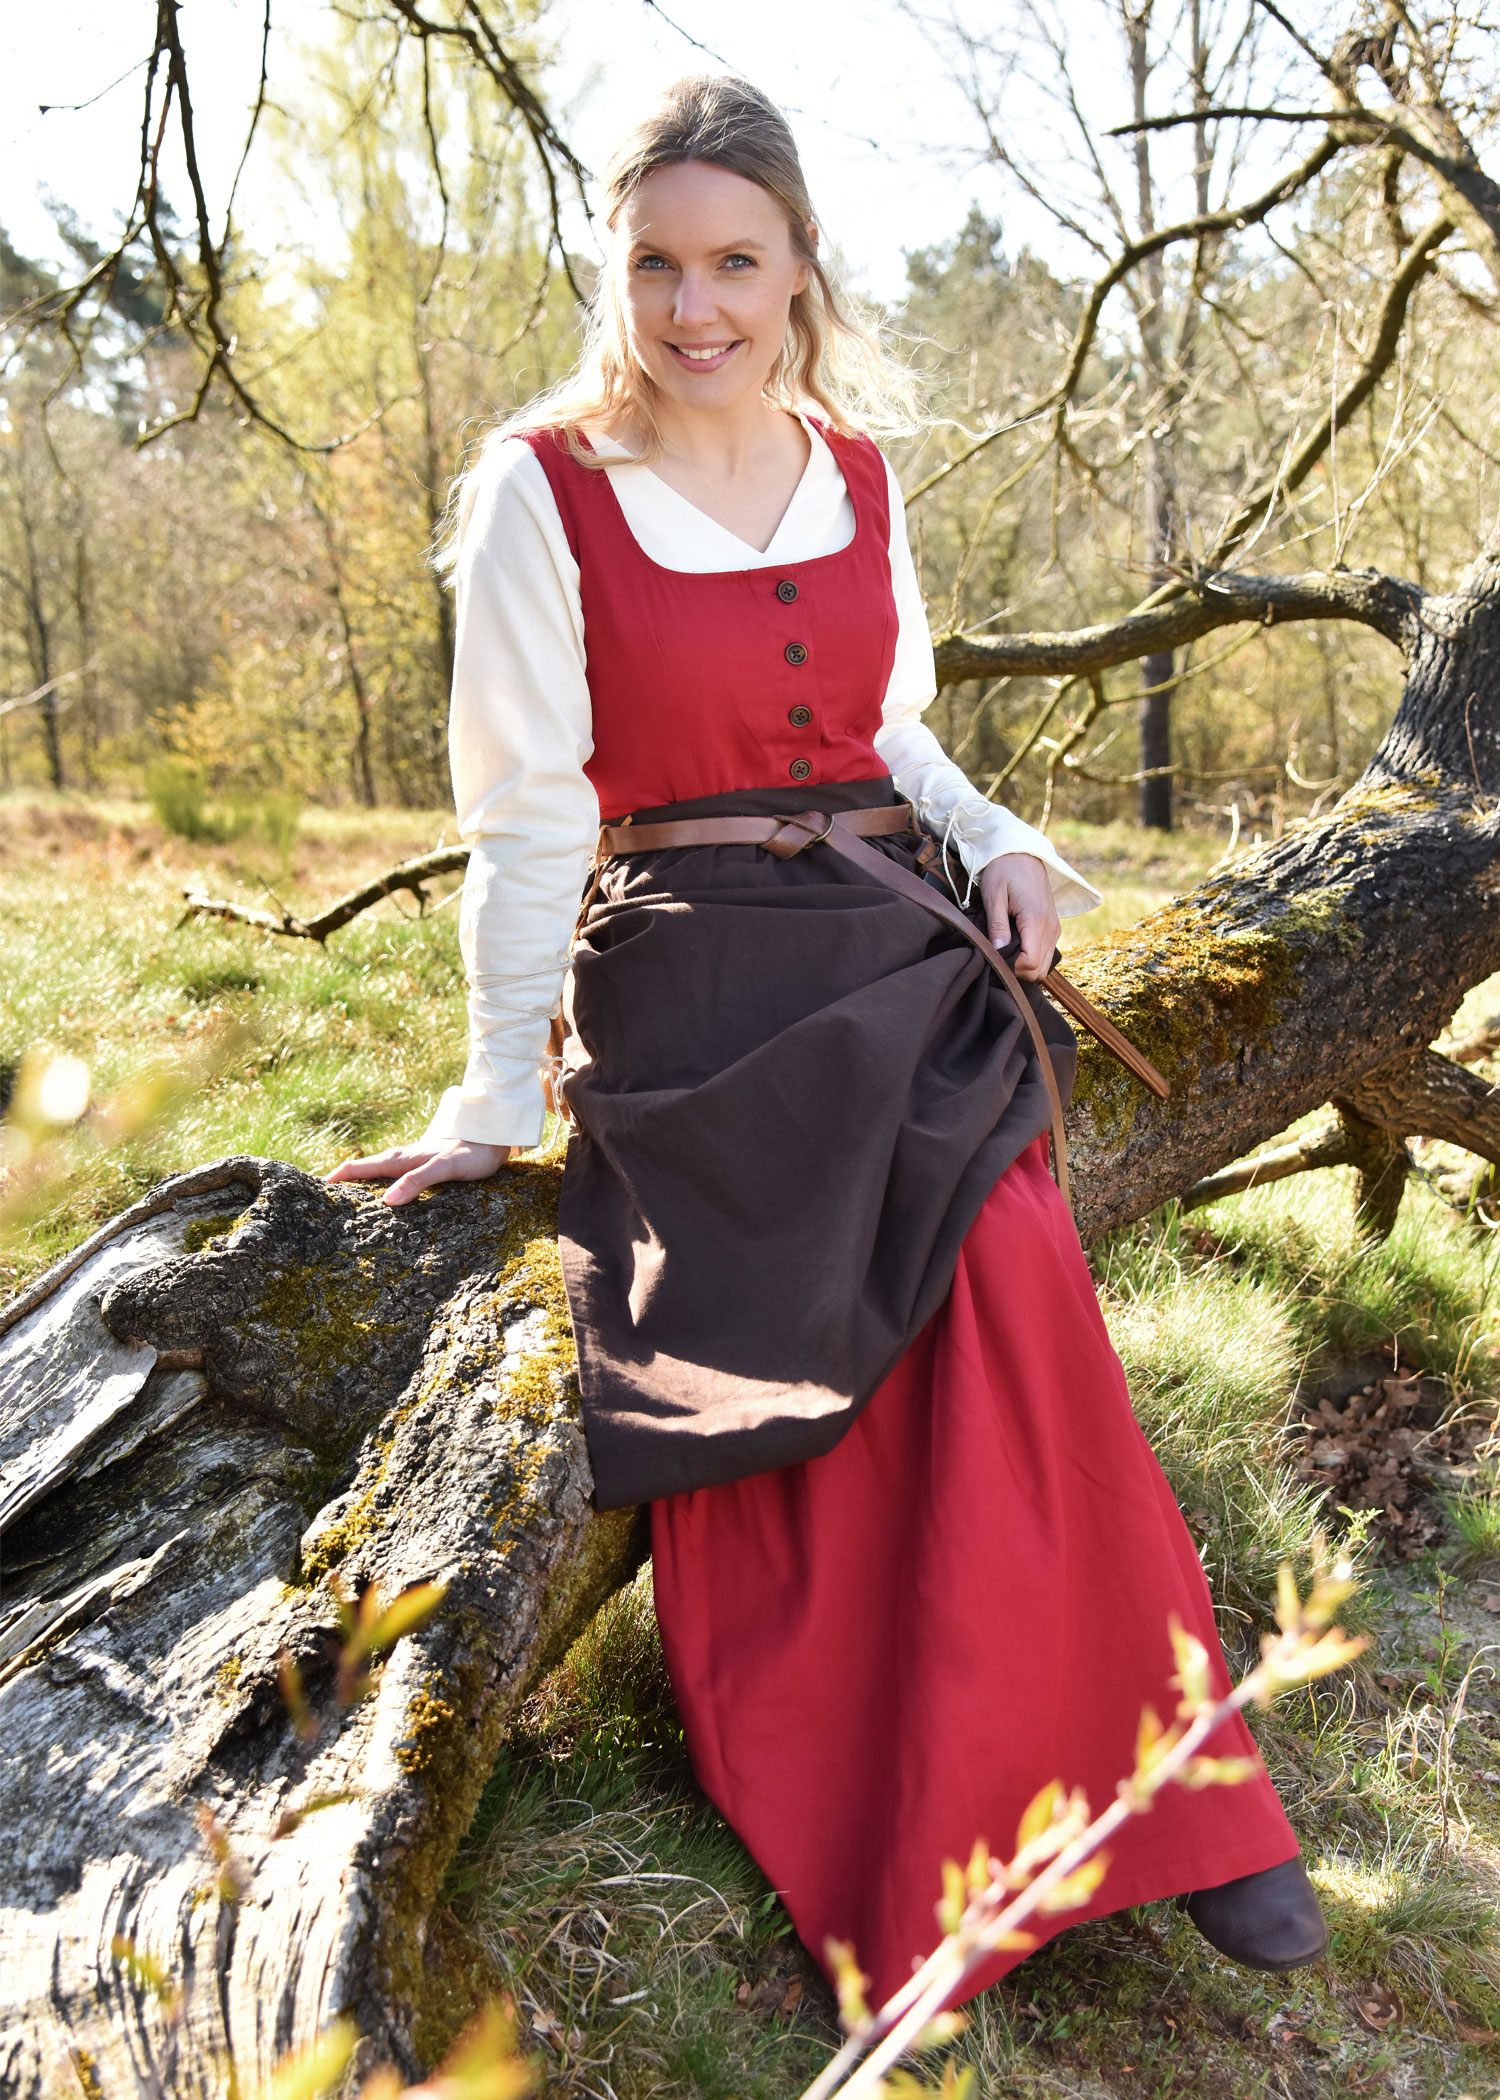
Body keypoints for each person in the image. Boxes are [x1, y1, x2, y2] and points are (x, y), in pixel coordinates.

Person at [330, 73, 1328, 2007]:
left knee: (1012, 1265)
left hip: (890, 934)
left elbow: (895, 732)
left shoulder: (856, 471)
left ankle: (1182, 1803)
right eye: (657, 263)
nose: (694, 306)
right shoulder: (541, 487)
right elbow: (527, 815)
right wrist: (493, 1090)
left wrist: (1005, 840)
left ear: (798, 264)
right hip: (692, 975)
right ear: (611, 267)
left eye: (735, 261)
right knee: (787, 1343)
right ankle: (921, 1846)